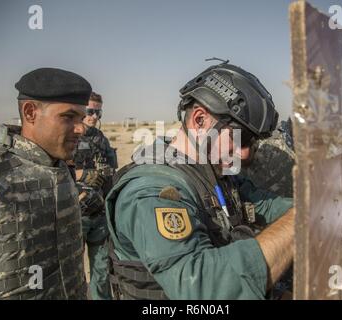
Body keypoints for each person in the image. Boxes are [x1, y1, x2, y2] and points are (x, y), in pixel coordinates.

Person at [105, 62, 295, 299]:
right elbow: (203, 287)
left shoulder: (218, 174)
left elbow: (267, 205)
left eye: (252, 142)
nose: (245, 153)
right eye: (241, 137)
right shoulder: (152, 190)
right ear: (199, 120)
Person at [0, 67, 91, 300]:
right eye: (68, 117)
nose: (81, 128)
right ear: (30, 112)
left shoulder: (62, 170)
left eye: (81, 118)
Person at [72, 92, 117, 300]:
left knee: (101, 272)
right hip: (74, 216)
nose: (94, 117)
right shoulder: (68, 136)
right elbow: (53, 171)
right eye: (90, 111)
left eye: (98, 112)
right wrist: (83, 174)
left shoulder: (101, 139)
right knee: (72, 272)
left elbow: (111, 174)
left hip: (99, 215)